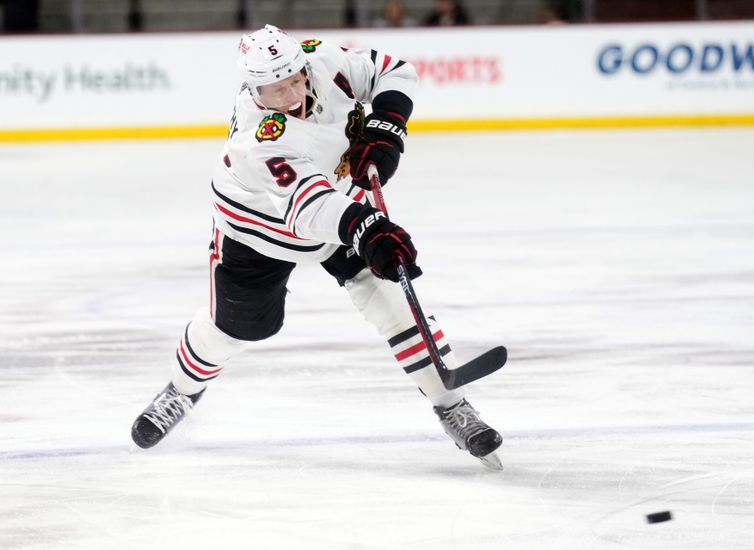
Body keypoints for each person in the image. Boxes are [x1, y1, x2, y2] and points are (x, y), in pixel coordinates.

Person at [130, 25, 502, 467]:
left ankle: (453, 406)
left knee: (394, 304)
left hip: (342, 203)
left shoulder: (322, 59)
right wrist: (366, 227)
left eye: (294, 80)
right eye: (275, 88)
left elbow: (396, 72)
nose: (290, 95)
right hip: (261, 228)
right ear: (252, 87)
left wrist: (385, 132)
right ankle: (180, 391)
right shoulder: (260, 138)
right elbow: (307, 210)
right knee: (237, 327)